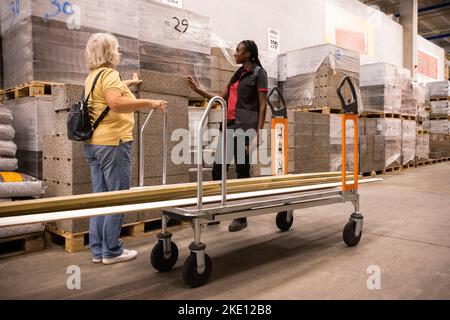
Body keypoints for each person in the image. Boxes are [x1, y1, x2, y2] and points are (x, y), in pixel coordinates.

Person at [84, 33, 167, 264]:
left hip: (95, 145)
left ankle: (98, 250)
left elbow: (109, 94)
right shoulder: (109, 74)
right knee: (117, 198)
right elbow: (115, 103)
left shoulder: (93, 76)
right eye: (117, 48)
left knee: (100, 198)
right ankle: (112, 251)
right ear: (110, 51)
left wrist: (128, 84)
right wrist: (149, 102)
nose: (119, 52)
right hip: (113, 144)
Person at [187, 40, 268, 232]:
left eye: (238, 51)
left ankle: (241, 216)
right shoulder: (237, 74)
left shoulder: (258, 73)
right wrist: (198, 90)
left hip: (245, 128)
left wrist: (256, 134)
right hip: (229, 126)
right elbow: (220, 97)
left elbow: (263, 105)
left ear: (248, 54)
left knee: (241, 171)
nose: (235, 54)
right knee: (218, 169)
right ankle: (216, 212)